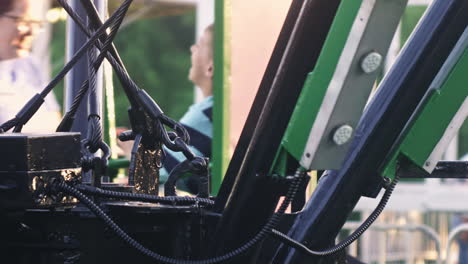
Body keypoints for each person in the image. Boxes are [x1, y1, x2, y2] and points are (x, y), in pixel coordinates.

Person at [160, 24, 214, 193]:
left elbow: (164, 171)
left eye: (199, 44)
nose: (192, 48)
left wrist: (133, 149)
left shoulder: (208, 114)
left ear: (210, 67)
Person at [0, 0, 61, 133]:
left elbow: (55, 123)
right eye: (23, 21)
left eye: (37, 24)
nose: (32, 32)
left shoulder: (29, 65)